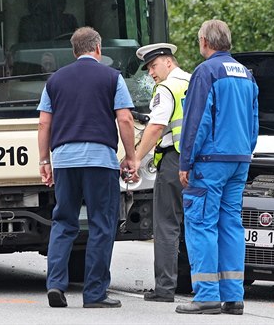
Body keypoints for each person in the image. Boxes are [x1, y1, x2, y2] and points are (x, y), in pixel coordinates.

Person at [37, 26, 137, 309]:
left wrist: (45, 161)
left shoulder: (55, 80)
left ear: (74, 51)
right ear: (98, 48)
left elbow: (44, 123)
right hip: (100, 162)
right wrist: (130, 157)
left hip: (65, 161)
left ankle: (56, 285)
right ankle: (94, 294)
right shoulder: (112, 77)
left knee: (64, 221)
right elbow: (126, 119)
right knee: (101, 225)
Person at [176, 19, 259, 315]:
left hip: (210, 163)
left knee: (201, 224)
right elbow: (254, 124)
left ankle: (207, 294)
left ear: (204, 41)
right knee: (231, 225)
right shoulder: (247, 76)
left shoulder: (206, 72)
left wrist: (186, 161)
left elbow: (196, 122)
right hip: (239, 162)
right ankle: (233, 296)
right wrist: (244, 154)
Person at [133, 43, 191, 302]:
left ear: (168, 62)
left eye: (154, 66)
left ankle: (165, 288)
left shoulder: (166, 87)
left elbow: (156, 127)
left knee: (167, 223)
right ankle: (191, 282)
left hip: (174, 160)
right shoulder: (194, 81)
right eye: (148, 70)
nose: (151, 74)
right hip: (199, 161)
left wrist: (134, 157)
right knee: (194, 224)